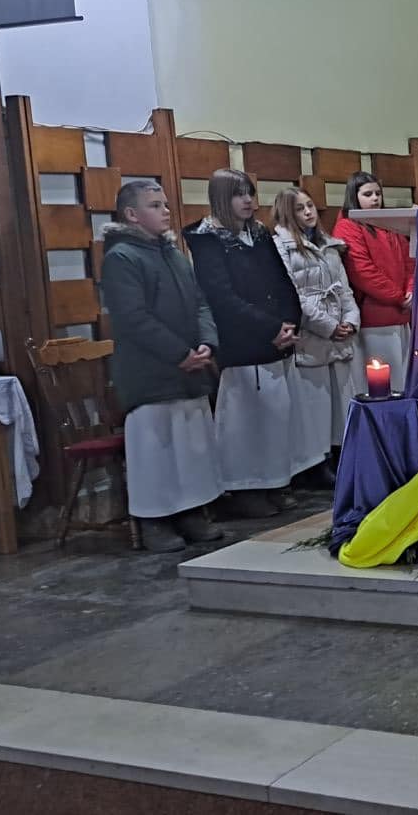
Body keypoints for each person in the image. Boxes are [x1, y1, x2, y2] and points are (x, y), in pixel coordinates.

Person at [184, 169, 321, 517]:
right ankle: (245, 486)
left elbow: (282, 280)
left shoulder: (258, 233)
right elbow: (221, 297)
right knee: (245, 421)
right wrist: (270, 327)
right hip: (242, 341)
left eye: (250, 193)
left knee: (276, 417)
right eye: (238, 194)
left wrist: (290, 322)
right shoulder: (207, 239)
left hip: (277, 339)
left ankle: (275, 480)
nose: (247, 201)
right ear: (221, 198)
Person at [98, 181, 225, 552]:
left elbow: (201, 302)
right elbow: (133, 318)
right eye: (155, 205)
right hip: (151, 373)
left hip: (191, 367)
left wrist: (206, 343)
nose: (166, 210)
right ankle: (154, 520)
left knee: (190, 448)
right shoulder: (121, 258)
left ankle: (191, 512)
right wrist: (179, 353)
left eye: (165, 204)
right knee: (156, 450)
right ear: (132, 214)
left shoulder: (172, 253)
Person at [272, 186, 359, 477]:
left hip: (338, 330)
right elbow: (294, 295)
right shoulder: (281, 247)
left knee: (341, 401)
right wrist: (328, 326)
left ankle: (341, 454)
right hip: (312, 335)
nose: (308, 212)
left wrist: (351, 320)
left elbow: (344, 289)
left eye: (310, 205)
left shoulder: (330, 245)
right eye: (300, 208)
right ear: (287, 213)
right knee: (315, 405)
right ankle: (316, 463)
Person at [332, 171, 415, 392]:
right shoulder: (347, 226)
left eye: (378, 193)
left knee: (404, 380)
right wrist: (399, 297)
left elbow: (410, 260)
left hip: (402, 313)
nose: (375, 198)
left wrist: (411, 289)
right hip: (375, 317)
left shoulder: (389, 223)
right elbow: (362, 271)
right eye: (368, 194)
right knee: (384, 384)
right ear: (354, 196)